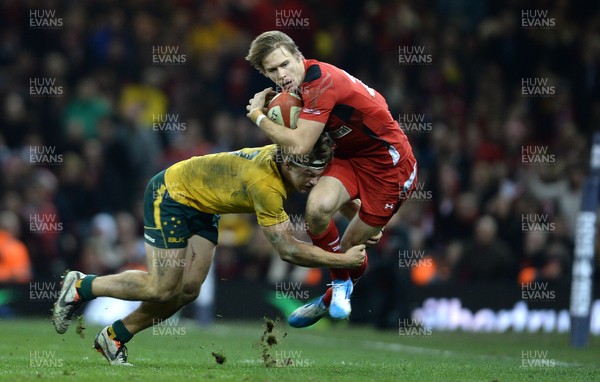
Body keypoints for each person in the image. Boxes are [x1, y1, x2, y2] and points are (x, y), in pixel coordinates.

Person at [52, 134, 366, 366]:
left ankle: (114, 336)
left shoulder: (292, 154)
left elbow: (330, 188)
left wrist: (366, 218)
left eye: (316, 175)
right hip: (171, 195)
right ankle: (80, 285)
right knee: (161, 287)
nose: (313, 182)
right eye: (308, 175)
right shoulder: (266, 185)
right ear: (288, 164)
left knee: (188, 289)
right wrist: (341, 260)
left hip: (203, 206)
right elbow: (287, 250)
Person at [245, 31, 417, 327]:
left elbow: (299, 144)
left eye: (285, 64)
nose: (282, 74)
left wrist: (258, 117)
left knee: (350, 246)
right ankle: (338, 288)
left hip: (390, 166)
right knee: (316, 211)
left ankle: (328, 299)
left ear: (299, 56)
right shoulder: (298, 90)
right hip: (350, 158)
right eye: (272, 70)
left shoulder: (321, 82)